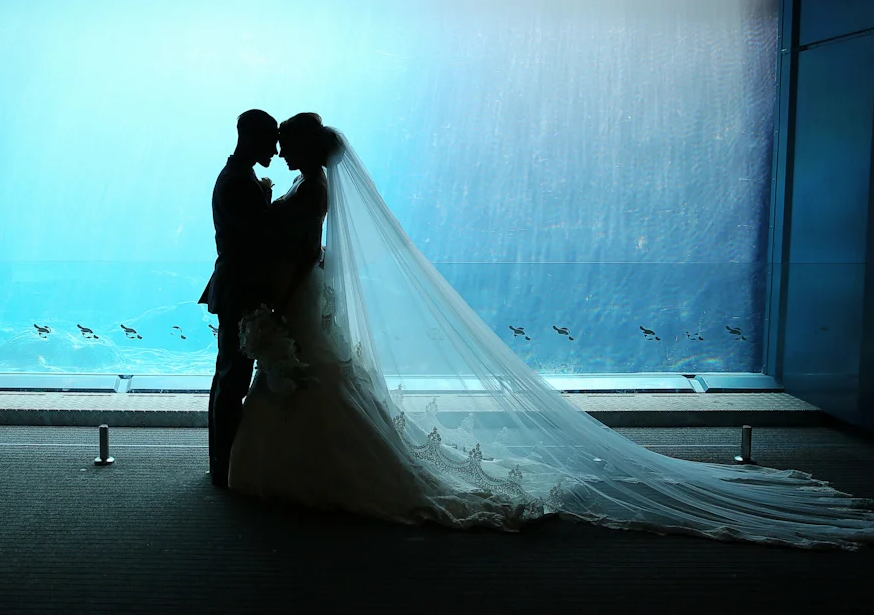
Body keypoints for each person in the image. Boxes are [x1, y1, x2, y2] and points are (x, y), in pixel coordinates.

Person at [227, 112, 874, 551]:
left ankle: (315, 475)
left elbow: (306, 254)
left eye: (285, 139)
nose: (278, 147)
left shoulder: (308, 192)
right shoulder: (308, 186)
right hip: (308, 299)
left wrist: (277, 303)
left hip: (303, 298)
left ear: (304, 151)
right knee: (319, 381)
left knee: (313, 381)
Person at [199, 109, 279, 488]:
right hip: (240, 289)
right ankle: (223, 467)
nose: (276, 150)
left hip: (237, 287)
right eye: (270, 139)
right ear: (249, 137)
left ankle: (223, 463)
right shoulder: (237, 182)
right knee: (232, 379)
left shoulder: (239, 177)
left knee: (229, 376)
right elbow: (261, 240)